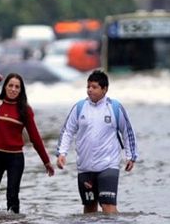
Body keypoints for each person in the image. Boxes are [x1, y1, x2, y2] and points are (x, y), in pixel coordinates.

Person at [56, 70, 138, 214]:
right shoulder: (79, 107)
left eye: (94, 87)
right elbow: (67, 131)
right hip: (85, 168)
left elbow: (127, 132)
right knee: (89, 210)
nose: (89, 90)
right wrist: (61, 153)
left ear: (104, 89)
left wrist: (131, 156)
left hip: (108, 166)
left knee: (108, 207)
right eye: (88, 87)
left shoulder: (115, 108)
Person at [0, 73, 54, 214]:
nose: (13, 89)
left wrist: (46, 162)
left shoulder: (25, 110)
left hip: (15, 158)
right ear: (5, 87)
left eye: (17, 87)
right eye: (10, 85)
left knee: (12, 197)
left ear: (21, 90)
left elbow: (35, 138)